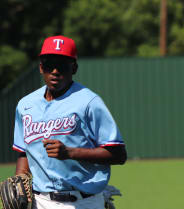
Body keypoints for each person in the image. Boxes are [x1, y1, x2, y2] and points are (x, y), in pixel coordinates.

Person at [12, 35, 127, 209]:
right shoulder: (25, 105)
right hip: (40, 202)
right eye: (50, 65)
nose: (56, 71)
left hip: (84, 201)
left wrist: (70, 152)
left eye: (63, 66)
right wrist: (18, 183)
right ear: (41, 68)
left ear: (74, 68)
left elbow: (118, 154)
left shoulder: (89, 102)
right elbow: (23, 152)